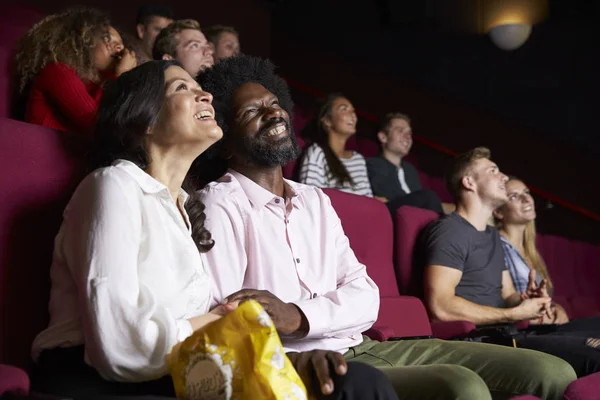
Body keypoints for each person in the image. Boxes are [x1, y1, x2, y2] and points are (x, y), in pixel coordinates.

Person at [193, 54, 576, 400]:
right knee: (463, 388)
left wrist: (298, 316)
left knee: (552, 372)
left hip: (364, 343)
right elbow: (234, 321)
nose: (273, 114)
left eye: (274, 104)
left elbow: (366, 295)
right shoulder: (220, 203)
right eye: (251, 112)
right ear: (224, 143)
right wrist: (308, 325)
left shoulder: (316, 200)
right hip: (307, 362)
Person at [29, 59, 398, 400]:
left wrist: (261, 351)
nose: (203, 93)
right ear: (145, 120)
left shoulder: (184, 213)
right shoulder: (113, 185)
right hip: (93, 382)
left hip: (177, 371)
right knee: (357, 385)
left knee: (358, 383)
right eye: (181, 89)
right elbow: (123, 346)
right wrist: (232, 328)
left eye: (197, 87)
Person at [422, 147, 600, 377]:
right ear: (469, 182)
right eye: (493, 170)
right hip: (482, 341)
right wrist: (513, 314)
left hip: (511, 332)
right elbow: (440, 307)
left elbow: (508, 296)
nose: (504, 177)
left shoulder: (491, 235)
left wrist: (526, 301)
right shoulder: (450, 231)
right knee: (595, 355)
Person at [494, 177, 600, 332]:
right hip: (525, 329)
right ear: (498, 212)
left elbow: (542, 298)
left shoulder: (530, 251)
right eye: (514, 196)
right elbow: (507, 299)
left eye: (526, 192)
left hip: (547, 324)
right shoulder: (497, 244)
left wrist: (556, 307)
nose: (526, 199)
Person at [14, 7, 136, 135]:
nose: (121, 47)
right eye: (107, 39)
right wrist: (122, 77)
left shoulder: (100, 84)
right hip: (37, 151)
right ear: (84, 43)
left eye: (121, 43)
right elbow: (98, 126)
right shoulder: (57, 71)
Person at [367, 112, 453, 214]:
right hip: (389, 214)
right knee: (428, 196)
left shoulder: (410, 170)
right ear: (383, 137)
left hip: (415, 216)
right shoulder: (372, 165)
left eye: (409, 133)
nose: (407, 136)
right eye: (400, 131)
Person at [298, 94, 376, 198]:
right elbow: (309, 197)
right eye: (344, 109)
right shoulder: (317, 153)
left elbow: (368, 199)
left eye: (353, 111)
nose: (353, 115)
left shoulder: (358, 159)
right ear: (327, 121)